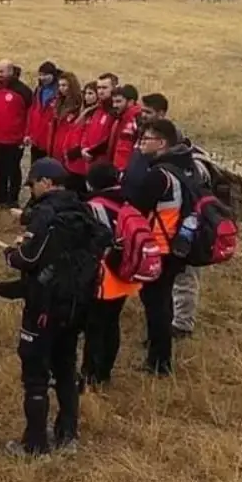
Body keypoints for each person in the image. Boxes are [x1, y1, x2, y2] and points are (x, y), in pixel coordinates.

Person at [0, 158, 109, 456]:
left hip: (44, 305)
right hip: (76, 303)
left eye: (32, 184)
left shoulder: (46, 214)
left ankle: (34, 443)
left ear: (45, 182)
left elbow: (28, 259)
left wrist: (10, 253)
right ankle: (68, 434)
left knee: (35, 374)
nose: (31, 190)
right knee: (66, 368)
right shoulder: (83, 208)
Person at [128, 119, 195, 375]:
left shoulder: (158, 175)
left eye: (147, 139)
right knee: (162, 300)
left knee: (155, 303)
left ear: (163, 143)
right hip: (178, 245)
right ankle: (159, 351)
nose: (141, 143)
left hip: (159, 246)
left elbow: (136, 204)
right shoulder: (185, 167)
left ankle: (159, 362)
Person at [80, 162, 143, 389]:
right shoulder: (128, 201)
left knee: (94, 326)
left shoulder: (94, 206)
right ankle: (105, 372)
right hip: (125, 271)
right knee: (112, 323)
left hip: (103, 274)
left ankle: (90, 374)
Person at [0, 59, 34, 208]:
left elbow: (30, 114)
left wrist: (26, 134)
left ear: (10, 71)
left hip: (15, 139)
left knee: (13, 168)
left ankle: (12, 198)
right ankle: (0, 195)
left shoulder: (23, 91)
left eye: (2, 72)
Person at [56, 81, 97, 197]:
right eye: (86, 93)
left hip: (80, 162)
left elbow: (88, 137)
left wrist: (75, 152)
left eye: (91, 93)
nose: (87, 97)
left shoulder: (94, 114)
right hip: (71, 161)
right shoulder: (83, 111)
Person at [25, 61, 61, 163]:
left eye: (45, 75)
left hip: (50, 143)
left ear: (53, 75)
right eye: (40, 75)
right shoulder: (39, 90)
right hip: (37, 140)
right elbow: (32, 112)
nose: (42, 78)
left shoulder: (59, 92)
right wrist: (29, 133)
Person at [108, 85, 142, 173]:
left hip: (128, 173)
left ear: (131, 102)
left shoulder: (138, 120)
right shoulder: (120, 119)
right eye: (113, 102)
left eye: (118, 101)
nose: (114, 105)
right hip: (118, 170)